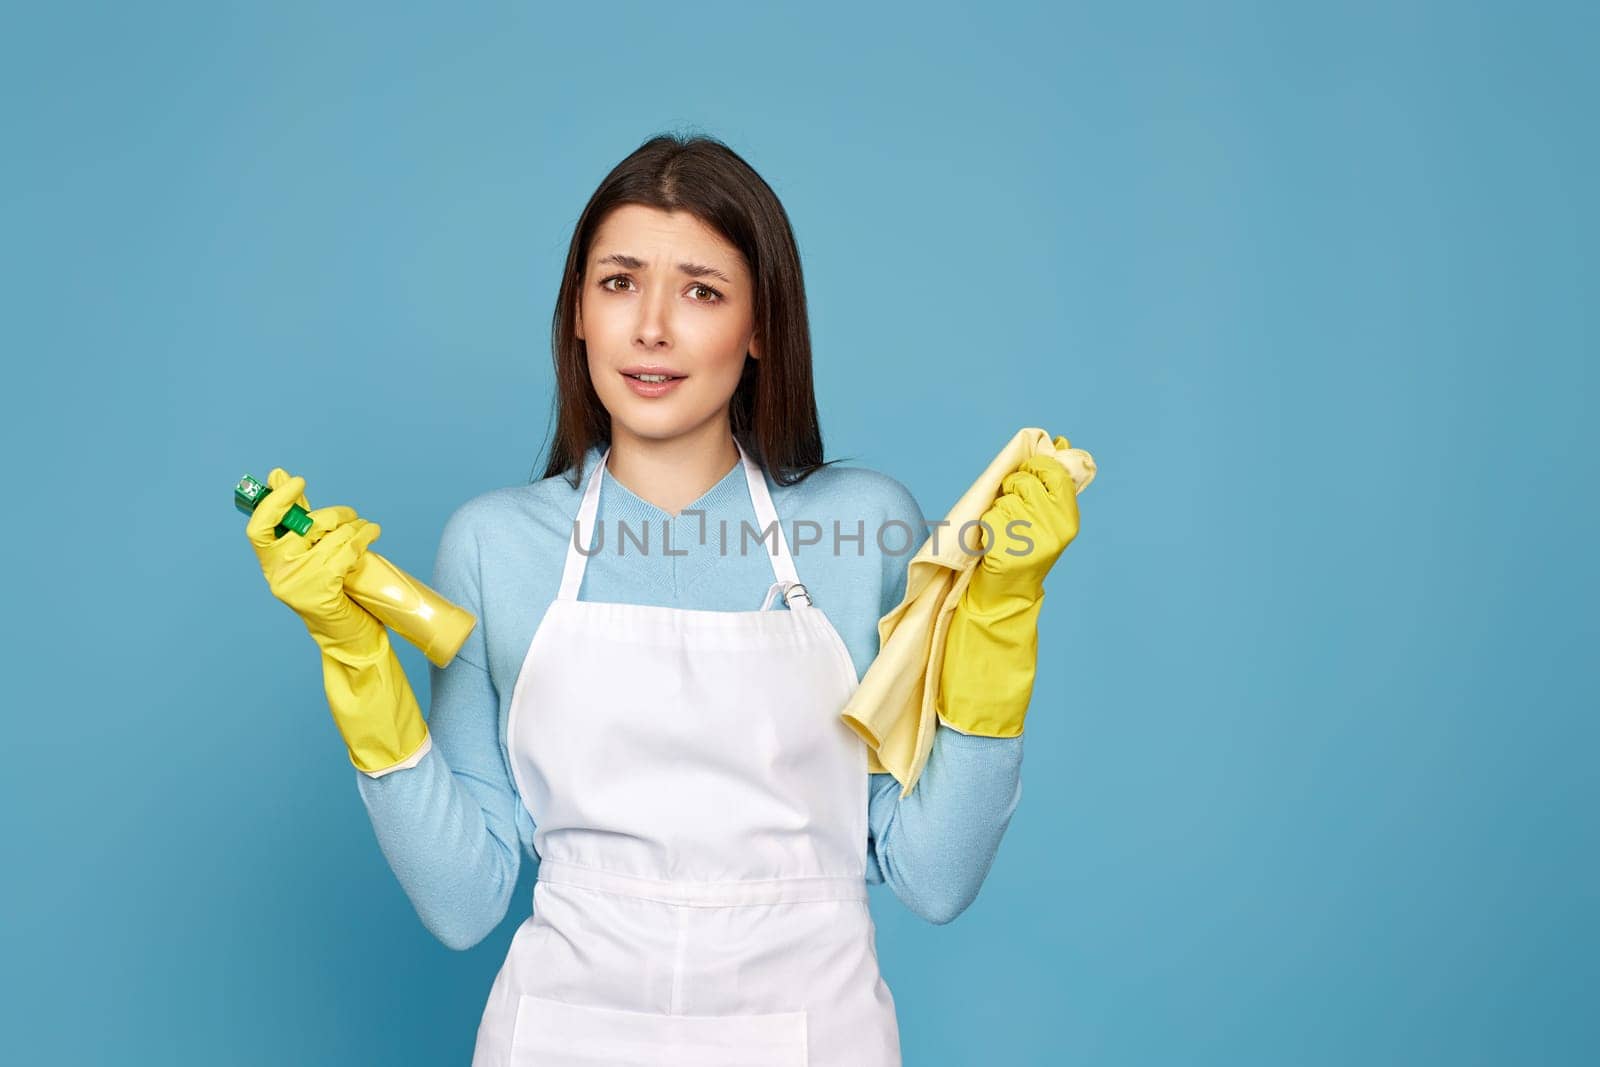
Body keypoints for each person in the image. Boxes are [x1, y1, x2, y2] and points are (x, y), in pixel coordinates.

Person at [249, 133, 1065, 1066]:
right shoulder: (494, 544)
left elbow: (934, 873)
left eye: (703, 292)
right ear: (578, 318)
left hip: (811, 1033)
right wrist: (355, 660)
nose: (652, 328)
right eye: (620, 283)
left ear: (760, 328)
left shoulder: (864, 528)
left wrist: (999, 622)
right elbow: (464, 901)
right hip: (558, 1033)